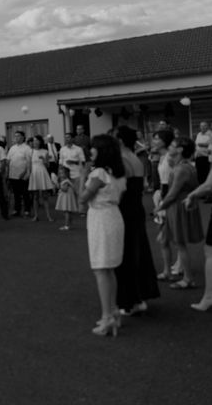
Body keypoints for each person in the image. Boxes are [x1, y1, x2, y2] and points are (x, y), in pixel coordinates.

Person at [79, 135, 127, 337]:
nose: (91, 151)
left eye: (94, 148)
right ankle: (113, 311)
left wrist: (82, 176)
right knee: (109, 269)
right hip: (114, 216)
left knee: (101, 269)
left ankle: (107, 317)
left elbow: (81, 199)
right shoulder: (118, 172)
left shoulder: (98, 173)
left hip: (101, 219)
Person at [114, 126, 160, 316]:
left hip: (125, 210)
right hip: (136, 208)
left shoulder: (122, 159)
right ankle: (140, 296)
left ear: (121, 140)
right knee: (138, 250)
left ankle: (130, 300)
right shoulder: (136, 158)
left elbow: (119, 190)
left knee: (126, 254)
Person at [183, 122, 212, 312]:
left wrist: (191, 195)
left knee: (211, 251)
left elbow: (209, 185)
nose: (210, 137)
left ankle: (210, 296)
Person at [154, 137, 203, 290]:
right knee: (164, 239)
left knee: (180, 243)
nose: (170, 146)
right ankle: (168, 271)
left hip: (178, 206)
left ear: (180, 149)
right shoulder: (181, 165)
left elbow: (172, 193)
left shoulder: (182, 168)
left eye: (173, 145)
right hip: (176, 206)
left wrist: (159, 207)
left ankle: (188, 279)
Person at [152, 129, 176, 280]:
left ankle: (173, 269)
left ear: (164, 141)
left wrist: (166, 198)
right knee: (164, 236)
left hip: (170, 195)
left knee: (166, 236)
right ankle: (168, 269)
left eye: (157, 138)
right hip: (162, 194)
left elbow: (175, 177)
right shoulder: (161, 157)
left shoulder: (169, 157)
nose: (154, 141)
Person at [28, 135, 54, 222]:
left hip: (42, 172)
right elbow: (29, 165)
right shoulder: (30, 151)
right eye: (34, 140)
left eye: (36, 140)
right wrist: (29, 174)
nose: (35, 142)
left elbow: (48, 165)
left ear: (40, 141)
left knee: (45, 196)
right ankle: (36, 216)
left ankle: (48, 216)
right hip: (34, 173)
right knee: (35, 196)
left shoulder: (45, 151)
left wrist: (44, 160)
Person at [59, 132, 86, 214]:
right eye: (66, 137)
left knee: (78, 192)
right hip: (66, 175)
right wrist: (59, 174)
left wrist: (73, 161)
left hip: (76, 173)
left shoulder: (78, 149)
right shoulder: (62, 149)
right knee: (68, 193)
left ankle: (81, 210)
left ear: (72, 138)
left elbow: (83, 161)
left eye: (68, 137)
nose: (67, 139)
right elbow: (60, 162)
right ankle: (70, 209)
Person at [7, 131, 32, 217]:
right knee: (16, 194)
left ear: (23, 137)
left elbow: (29, 162)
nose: (16, 138)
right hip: (13, 174)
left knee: (25, 193)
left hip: (23, 175)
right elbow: (8, 161)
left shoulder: (27, 148)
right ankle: (16, 210)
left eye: (18, 136)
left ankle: (27, 210)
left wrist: (25, 172)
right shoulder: (12, 148)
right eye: (15, 136)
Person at [55, 166, 77, 231]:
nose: (61, 175)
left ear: (66, 174)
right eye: (60, 173)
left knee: (66, 210)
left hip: (66, 197)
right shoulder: (64, 180)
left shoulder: (66, 181)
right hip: (65, 196)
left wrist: (59, 186)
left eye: (62, 173)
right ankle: (69, 222)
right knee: (66, 211)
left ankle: (66, 225)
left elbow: (65, 189)